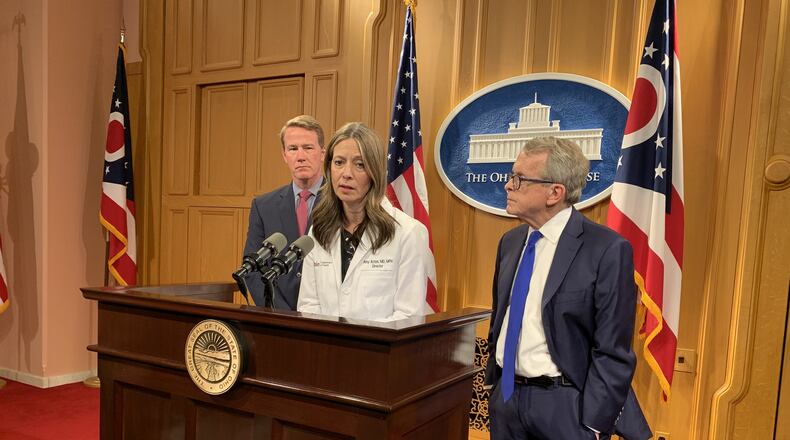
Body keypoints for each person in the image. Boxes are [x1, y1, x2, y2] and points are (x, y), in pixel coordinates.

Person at [485, 137, 652, 440]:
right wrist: (494, 388)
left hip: (566, 407)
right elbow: (501, 318)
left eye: (519, 179)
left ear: (554, 192)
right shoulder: (509, 244)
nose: (508, 185)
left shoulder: (606, 249)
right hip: (506, 401)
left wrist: (593, 424)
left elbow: (612, 350)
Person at [297, 122, 429, 321]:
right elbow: (308, 305)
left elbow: (408, 317)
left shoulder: (409, 233)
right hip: (324, 349)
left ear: (374, 172)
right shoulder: (318, 231)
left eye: (359, 164)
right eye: (339, 162)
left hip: (380, 350)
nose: (346, 174)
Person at [242, 115, 325, 309]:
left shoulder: (341, 203)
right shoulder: (263, 206)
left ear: (322, 153)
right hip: (279, 317)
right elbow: (253, 271)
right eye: (293, 149)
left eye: (308, 147)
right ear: (284, 155)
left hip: (327, 318)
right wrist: (281, 314)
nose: (301, 156)